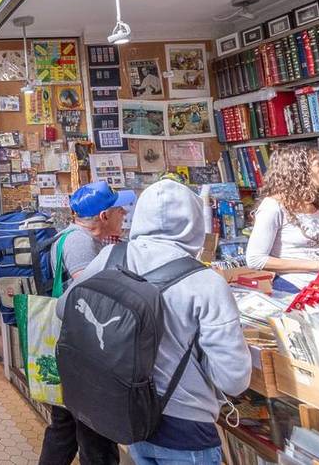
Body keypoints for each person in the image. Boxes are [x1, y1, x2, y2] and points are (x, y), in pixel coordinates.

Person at [61, 179, 251, 465]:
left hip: (130, 414)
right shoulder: (207, 282)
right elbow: (233, 379)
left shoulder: (111, 257)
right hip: (186, 428)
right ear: (194, 221)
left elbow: (65, 308)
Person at [39, 181, 135, 465]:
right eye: (119, 210)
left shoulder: (77, 237)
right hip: (83, 352)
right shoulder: (80, 243)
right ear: (104, 216)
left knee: (65, 428)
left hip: (72, 349)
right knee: (94, 435)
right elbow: (87, 295)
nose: (124, 215)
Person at [246, 145, 319, 292]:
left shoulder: (318, 204)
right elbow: (256, 260)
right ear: (299, 171)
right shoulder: (273, 206)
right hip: (294, 289)